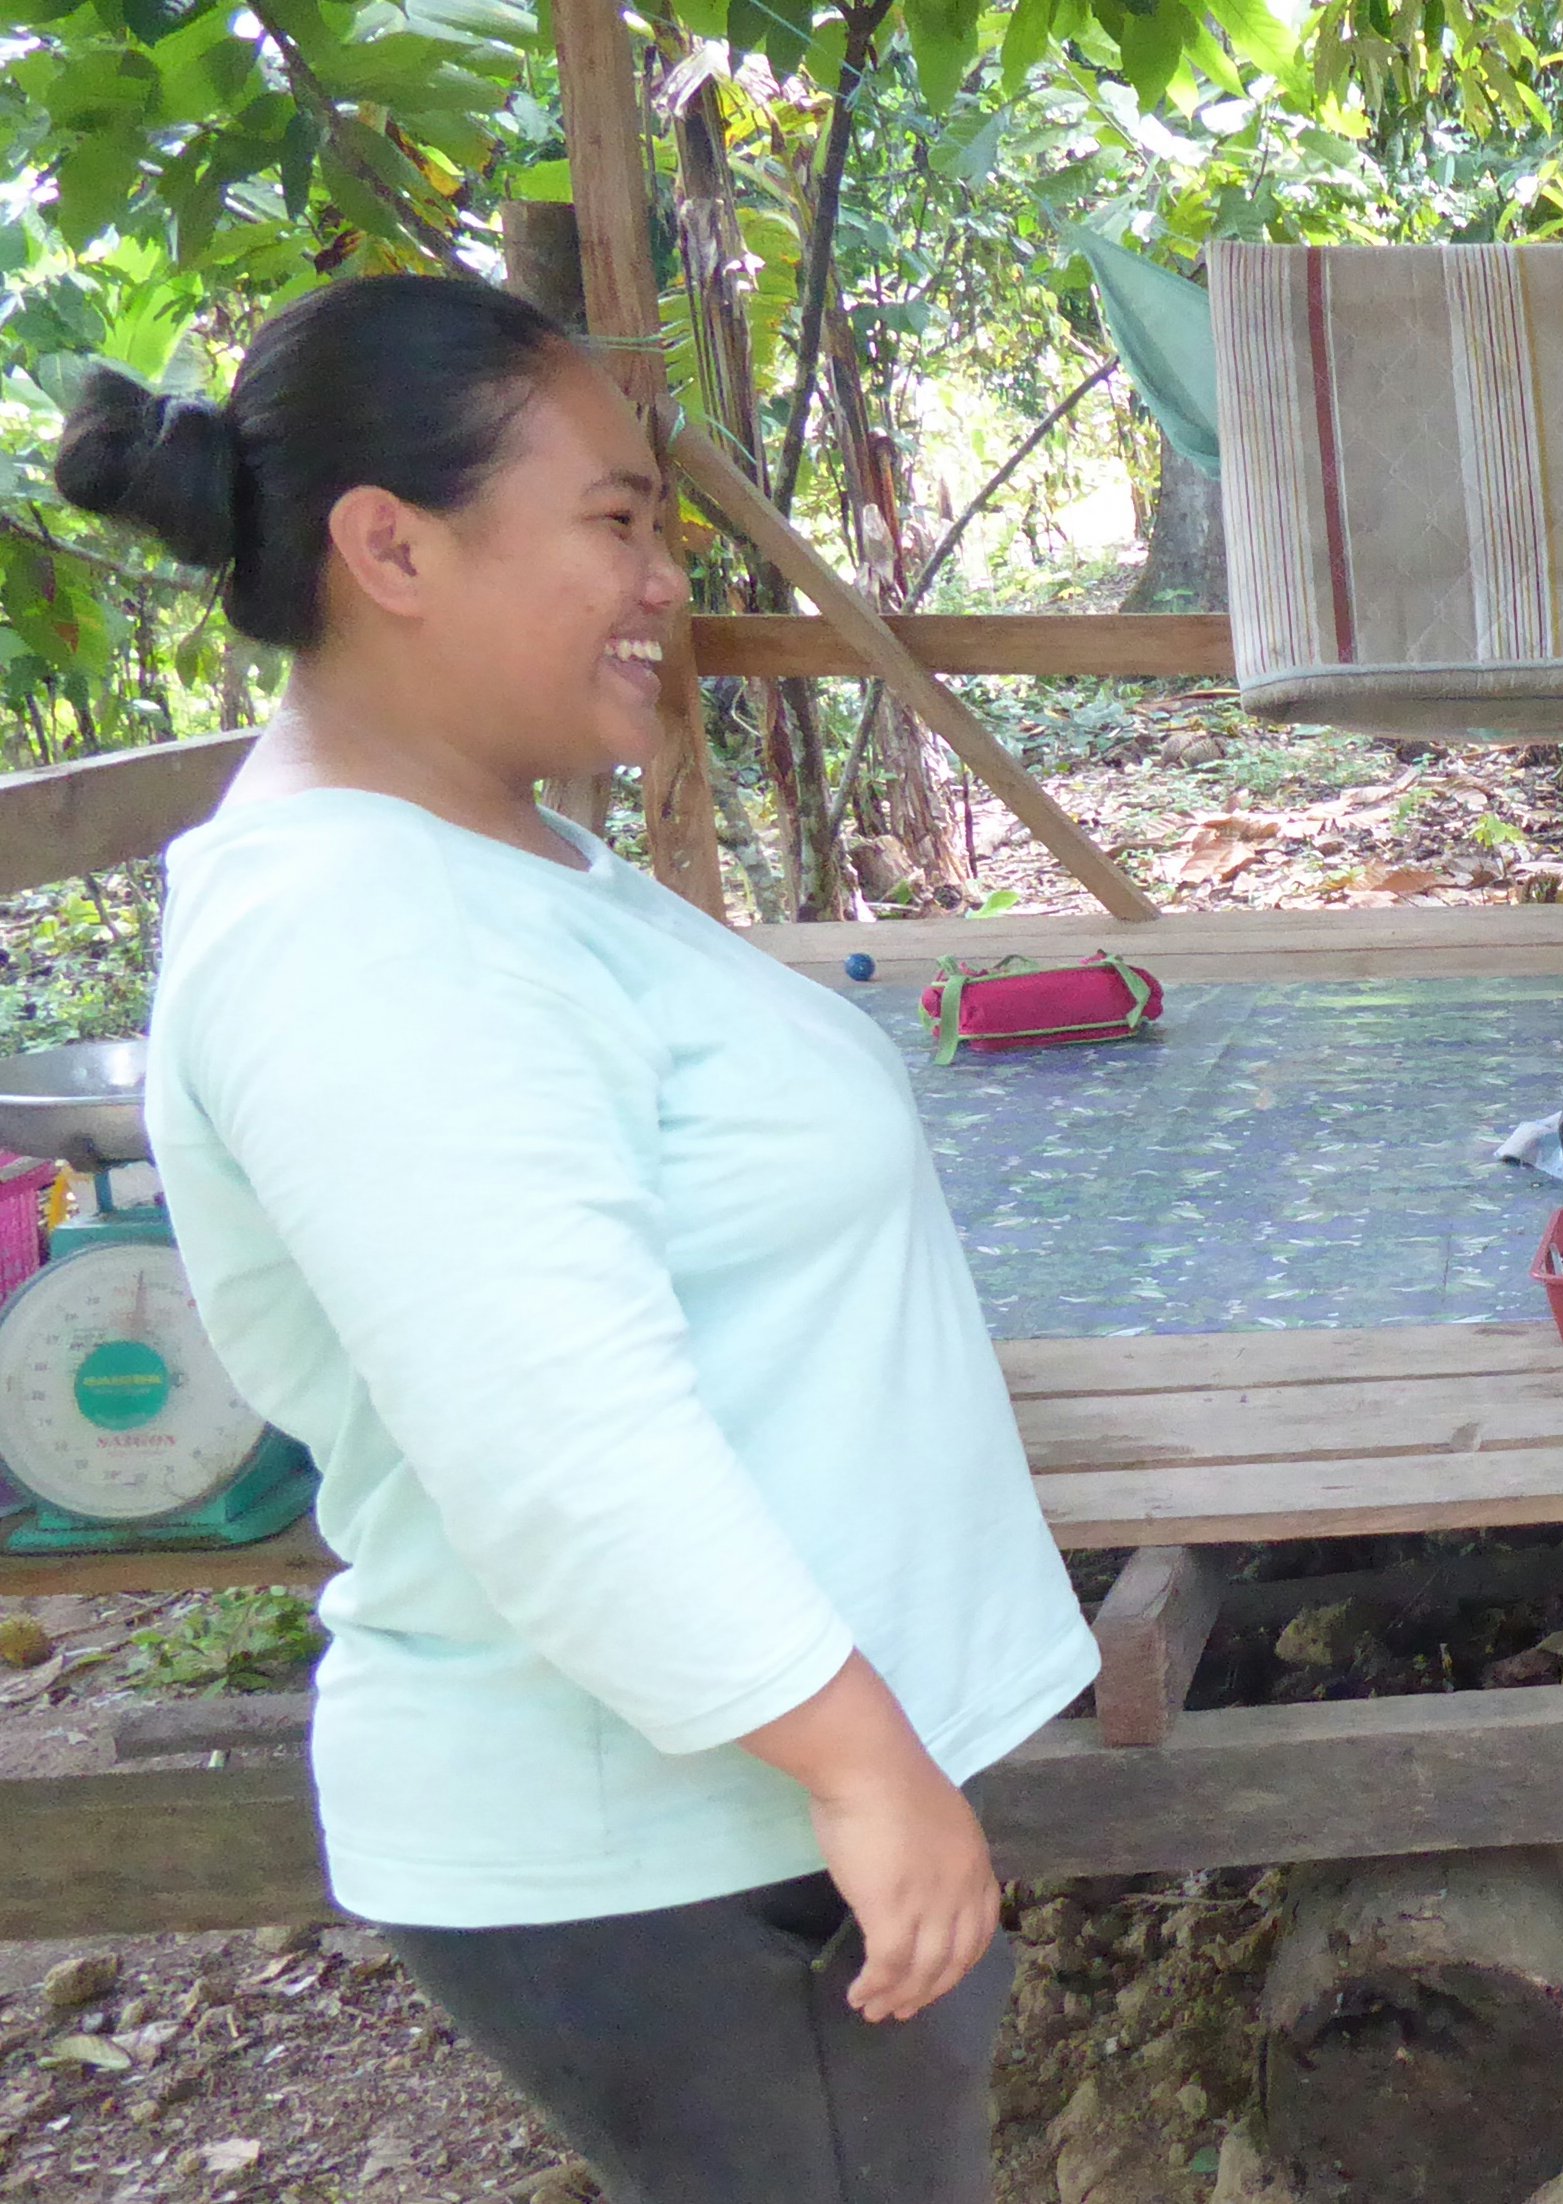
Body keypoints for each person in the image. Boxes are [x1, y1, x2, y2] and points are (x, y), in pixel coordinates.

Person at [53, 275, 1099, 2199]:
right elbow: (561, 1446)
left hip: (742, 1817)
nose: (660, 583)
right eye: (613, 522)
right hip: (688, 1852)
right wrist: (861, 1765)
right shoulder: (371, 936)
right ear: (393, 550)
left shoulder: (481, 853)